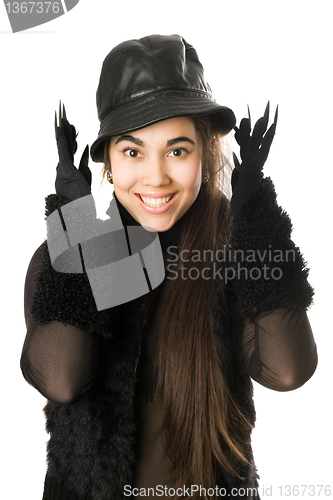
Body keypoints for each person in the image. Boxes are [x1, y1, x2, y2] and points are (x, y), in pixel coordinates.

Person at [21, 34, 318, 500]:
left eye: (177, 150)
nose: (155, 176)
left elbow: (288, 371)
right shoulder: (62, 263)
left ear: (206, 153)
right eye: (133, 151)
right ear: (108, 163)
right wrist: (75, 231)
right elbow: (61, 380)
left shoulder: (232, 260)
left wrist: (255, 215)